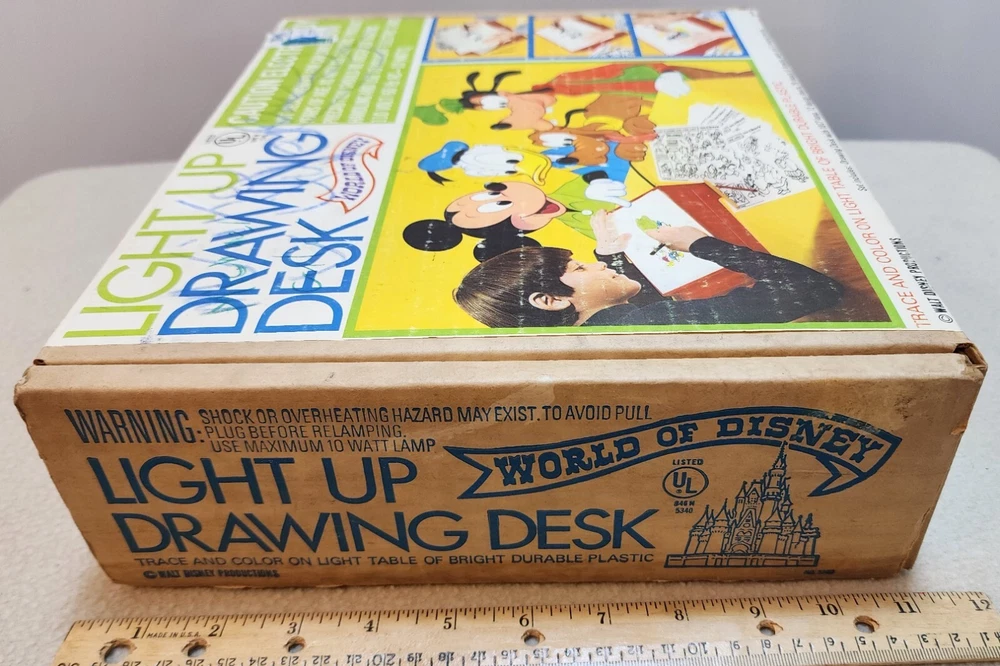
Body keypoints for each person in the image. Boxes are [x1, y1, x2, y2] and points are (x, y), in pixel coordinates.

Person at [453, 210, 843, 327]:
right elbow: (816, 289)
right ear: (551, 300)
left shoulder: (603, 332)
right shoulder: (650, 324)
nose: (593, 265)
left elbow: (640, 311)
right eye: (579, 268)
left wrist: (611, 256)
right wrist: (700, 243)